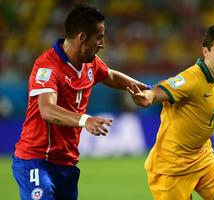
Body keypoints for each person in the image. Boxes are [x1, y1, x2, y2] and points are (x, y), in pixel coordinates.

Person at [12, 4, 149, 200]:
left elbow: (110, 75)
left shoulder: (90, 62)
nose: (102, 43)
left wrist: (146, 90)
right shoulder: (48, 66)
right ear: (82, 37)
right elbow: (47, 110)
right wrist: (86, 120)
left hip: (67, 163)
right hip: (37, 160)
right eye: (99, 37)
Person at [127, 23, 214, 200]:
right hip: (170, 169)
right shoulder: (190, 79)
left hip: (204, 159)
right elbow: (162, 89)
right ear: (206, 52)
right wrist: (149, 96)